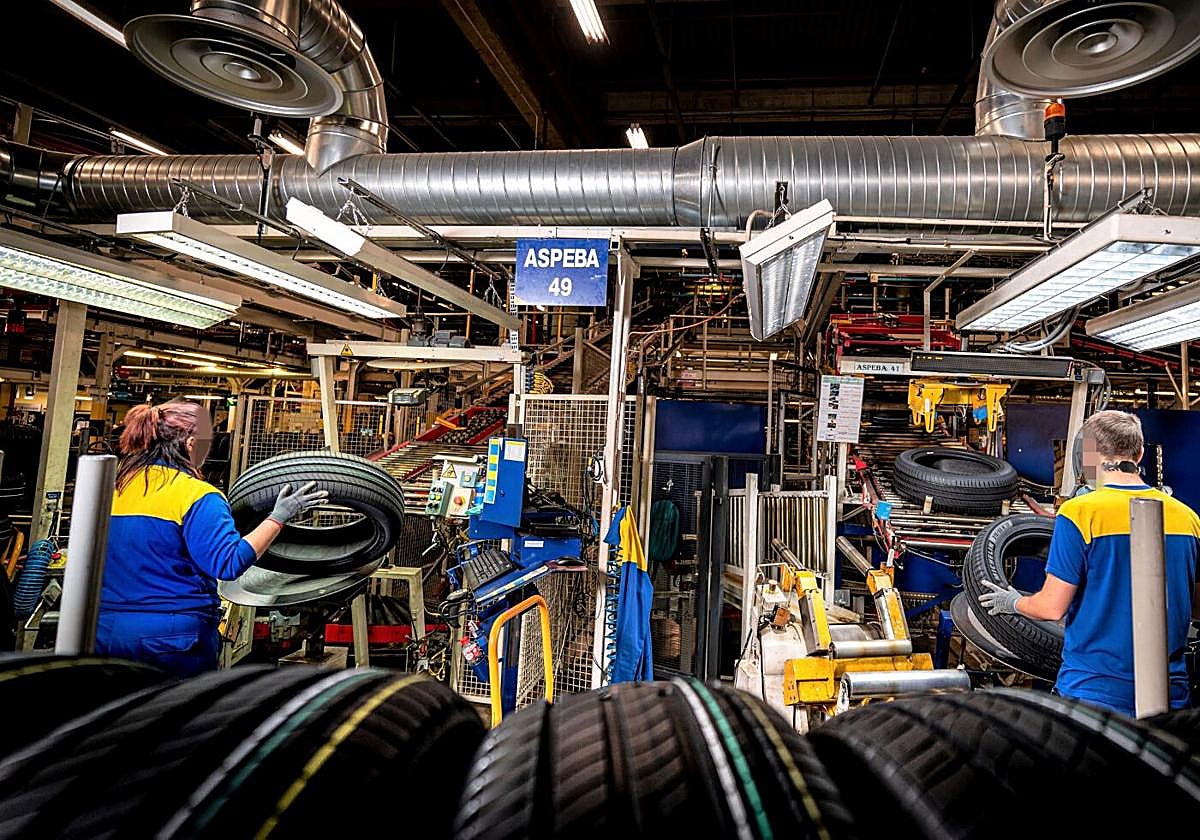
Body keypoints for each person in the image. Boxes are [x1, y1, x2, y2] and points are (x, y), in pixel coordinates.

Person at [979, 410, 1200, 715]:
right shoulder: (1187, 518)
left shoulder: (1081, 513)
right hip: (1171, 693)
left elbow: (1050, 607)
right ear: (1139, 453)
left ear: (1088, 455)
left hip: (1095, 693)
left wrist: (1013, 602)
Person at [96, 399, 327, 677]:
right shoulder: (197, 496)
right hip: (170, 640)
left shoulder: (111, 489)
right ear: (191, 443)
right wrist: (278, 517)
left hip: (106, 631)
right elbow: (227, 563)